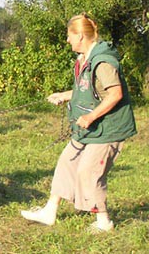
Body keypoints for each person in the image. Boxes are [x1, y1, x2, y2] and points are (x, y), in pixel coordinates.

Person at [20, 13, 137, 232]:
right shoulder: (84, 59)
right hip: (90, 128)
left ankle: (104, 222)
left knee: (88, 172)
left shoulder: (102, 61)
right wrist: (65, 95)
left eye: (69, 36)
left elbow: (115, 94)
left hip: (107, 129)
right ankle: (49, 211)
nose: (67, 40)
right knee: (67, 161)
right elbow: (86, 89)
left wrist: (91, 116)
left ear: (81, 35)